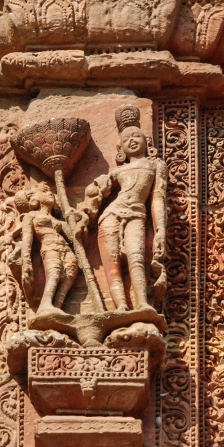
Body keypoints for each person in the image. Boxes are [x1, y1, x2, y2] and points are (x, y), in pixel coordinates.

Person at [83, 104, 167, 311]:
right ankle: (120, 307)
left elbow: (158, 199)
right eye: (126, 138)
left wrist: (160, 230)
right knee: (112, 266)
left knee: (136, 257)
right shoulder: (118, 171)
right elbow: (95, 192)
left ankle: (142, 304)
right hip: (110, 215)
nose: (131, 140)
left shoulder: (155, 165)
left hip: (137, 214)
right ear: (120, 149)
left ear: (147, 143)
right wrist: (94, 193)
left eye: (136, 136)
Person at [13, 182, 80, 316]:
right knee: (54, 273)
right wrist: (26, 260)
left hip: (65, 248)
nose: (50, 193)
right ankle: (45, 305)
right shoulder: (31, 216)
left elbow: (74, 238)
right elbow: (27, 240)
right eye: (44, 191)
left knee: (69, 275)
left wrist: (77, 219)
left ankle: (57, 307)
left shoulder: (57, 221)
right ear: (34, 199)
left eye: (50, 191)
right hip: (50, 246)